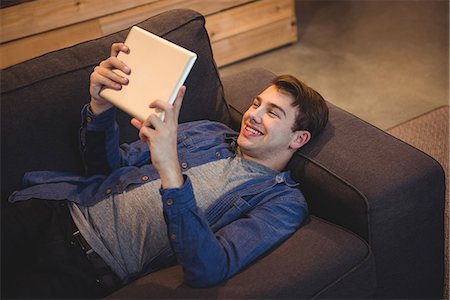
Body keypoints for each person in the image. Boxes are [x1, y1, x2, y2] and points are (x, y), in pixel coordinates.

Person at [2, 43, 329, 299]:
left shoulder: (283, 204)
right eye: (257, 104)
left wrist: (171, 170)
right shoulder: (209, 132)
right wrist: (100, 109)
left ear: (298, 138)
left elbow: (209, 267)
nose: (253, 115)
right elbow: (105, 168)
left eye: (273, 113)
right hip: (54, 205)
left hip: (85, 267)